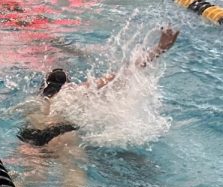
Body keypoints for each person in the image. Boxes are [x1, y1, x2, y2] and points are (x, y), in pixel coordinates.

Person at [18, 26, 178, 150]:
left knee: (26, 175)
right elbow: (126, 73)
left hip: (31, 134)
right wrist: (161, 48)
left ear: (44, 85)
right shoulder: (75, 91)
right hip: (63, 135)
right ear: (67, 82)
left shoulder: (34, 100)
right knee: (73, 182)